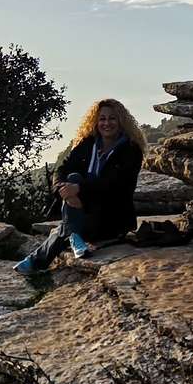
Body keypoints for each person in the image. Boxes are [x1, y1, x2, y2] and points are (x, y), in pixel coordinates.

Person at [16, 98, 146, 276]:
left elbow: (115, 184)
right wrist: (65, 191)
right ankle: (75, 235)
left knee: (69, 215)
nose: (106, 123)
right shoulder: (88, 144)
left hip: (112, 217)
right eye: (102, 119)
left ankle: (52, 249)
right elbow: (61, 170)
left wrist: (79, 189)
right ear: (96, 121)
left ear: (121, 121)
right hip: (84, 212)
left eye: (112, 118)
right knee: (72, 176)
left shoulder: (131, 150)